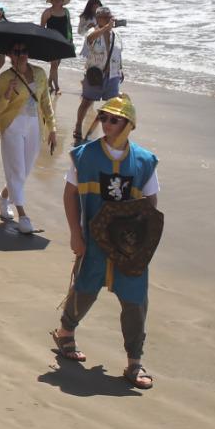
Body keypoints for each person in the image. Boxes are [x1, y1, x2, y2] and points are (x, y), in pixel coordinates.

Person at [52, 93, 159, 389]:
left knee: (135, 301)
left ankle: (134, 362)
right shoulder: (84, 155)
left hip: (129, 247)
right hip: (94, 241)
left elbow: (151, 205)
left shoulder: (144, 161)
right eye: (103, 117)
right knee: (85, 289)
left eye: (114, 119)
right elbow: (70, 194)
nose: (106, 123)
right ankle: (65, 333)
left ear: (128, 124)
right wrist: (75, 233)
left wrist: (143, 243)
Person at [0, 41, 57, 233]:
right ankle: (23, 215)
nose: (21, 55)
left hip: (34, 125)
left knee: (25, 169)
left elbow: (46, 102)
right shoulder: (5, 77)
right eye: (17, 51)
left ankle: (2, 198)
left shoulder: (40, 73)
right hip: (12, 125)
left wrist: (52, 127)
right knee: (17, 169)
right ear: (10, 54)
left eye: (24, 51)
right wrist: (8, 93)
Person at [74, 6, 124, 145]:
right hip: (95, 75)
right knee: (86, 102)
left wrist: (121, 70)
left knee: (113, 105)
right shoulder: (93, 31)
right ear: (98, 18)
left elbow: (118, 54)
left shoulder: (116, 35)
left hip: (113, 75)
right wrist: (104, 29)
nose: (108, 20)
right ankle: (78, 126)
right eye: (105, 17)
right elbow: (89, 39)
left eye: (110, 17)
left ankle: (111, 131)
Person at [40, 0, 72, 94]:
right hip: (51, 41)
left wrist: (71, 40)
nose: (57, 1)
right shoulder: (48, 12)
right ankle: (57, 87)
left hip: (63, 41)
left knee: (56, 65)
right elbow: (42, 27)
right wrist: (44, 41)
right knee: (54, 65)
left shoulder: (66, 11)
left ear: (63, 1)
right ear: (52, 1)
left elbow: (69, 27)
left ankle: (49, 82)